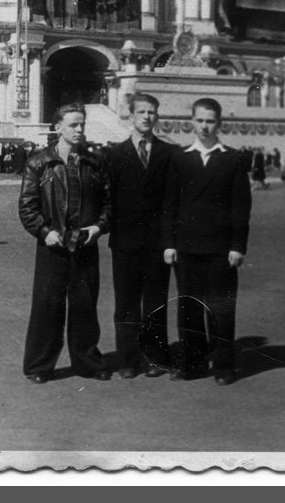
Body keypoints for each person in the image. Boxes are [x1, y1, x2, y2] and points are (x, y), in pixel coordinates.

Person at [18, 102, 111, 384]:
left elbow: (108, 203)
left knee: (84, 306)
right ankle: (39, 366)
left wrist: (99, 226)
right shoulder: (38, 162)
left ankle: (87, 362)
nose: (80, 129)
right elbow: (27, 206)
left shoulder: (95, 162)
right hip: (52, 247)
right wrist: (45, 231)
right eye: (73, 124)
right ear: (58, 127)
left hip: (84, 245)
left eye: (82, 124)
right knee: (48, 307)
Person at [162, 98, 252, 385]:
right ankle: (191, 363)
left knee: (220, 307)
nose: (204, 126)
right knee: (189, 307)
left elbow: (241, 207)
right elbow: (170, 204)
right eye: (200, 120)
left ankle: (224, 365)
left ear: (219, 123)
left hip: (220, 249)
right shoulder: (180, 158)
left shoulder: (233, 159)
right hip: (186, 247)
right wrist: (169, 243)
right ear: (192, 121)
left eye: (210, 121)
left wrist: (238, 246)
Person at [103, 93, 175, 379]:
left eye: (152, 112)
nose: (146, 117)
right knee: (126, 304)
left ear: (157, 117)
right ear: (130, 116)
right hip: (125, 242)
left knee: (156, 303)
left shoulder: (169, 154)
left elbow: (173, 202)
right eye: (141, 112)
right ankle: (128, 360)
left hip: (158, 243)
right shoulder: (114, 155)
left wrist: (171, 241)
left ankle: (156, 358)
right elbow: (108, 199)